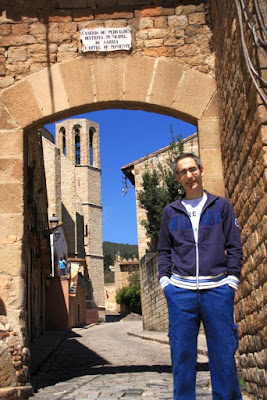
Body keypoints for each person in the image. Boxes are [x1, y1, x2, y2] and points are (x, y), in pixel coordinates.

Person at [158, 153, 243, 399]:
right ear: (178, 177)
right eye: (183, 172)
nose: (189, 175)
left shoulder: (221, 206)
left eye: (192, 169)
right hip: (180, 293)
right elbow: (164, 250)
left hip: (218, 290)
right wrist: (166, 284)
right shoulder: (170, 212)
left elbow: (234, 246)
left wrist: (232, 282)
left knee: (224, 357)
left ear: (202, 171)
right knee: (182, 359)